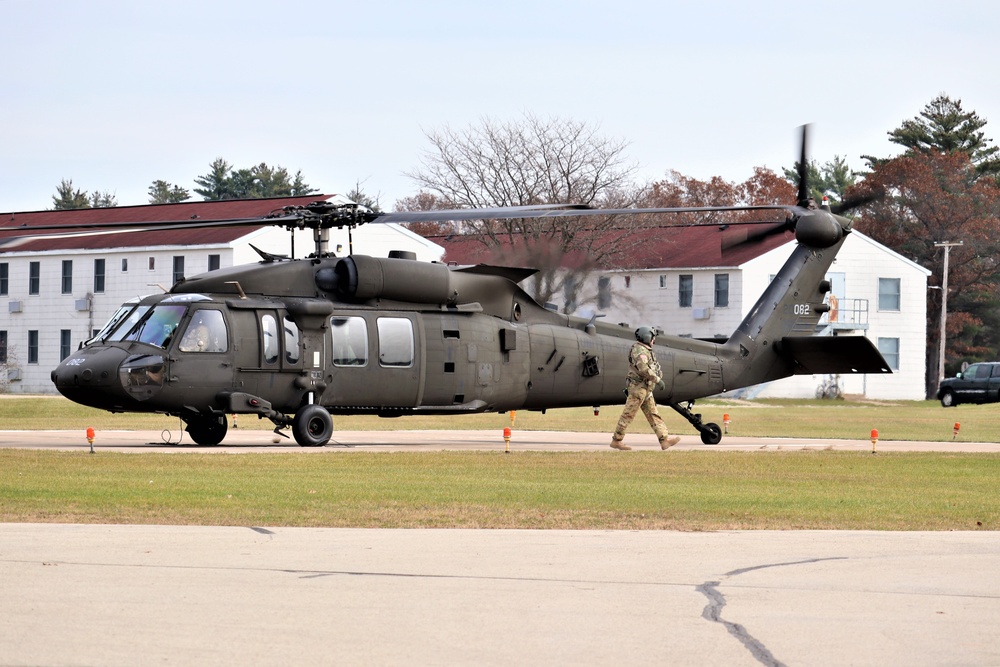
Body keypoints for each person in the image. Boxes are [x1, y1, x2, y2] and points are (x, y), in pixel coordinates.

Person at [610, 326, 681, 451]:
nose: (654, 340)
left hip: (646, 388)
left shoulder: (645, 350)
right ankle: (616, 440)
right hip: (639, 388)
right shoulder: (640, 351)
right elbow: (643, 369)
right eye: (653, 337)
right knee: (628, 414)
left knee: (653, 414)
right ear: (648, 337)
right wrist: (657, 380)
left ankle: (664, 440)